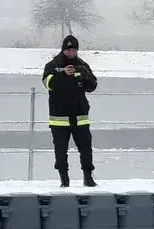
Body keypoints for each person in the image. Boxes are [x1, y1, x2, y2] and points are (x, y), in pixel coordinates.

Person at [42, 35, 98, 188]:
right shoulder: (52, 65)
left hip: (80, 116)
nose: (72, 52)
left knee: (86, 149)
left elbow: (92, 86)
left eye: (74, 49)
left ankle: (88, 178)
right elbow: (49, 84)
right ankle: (64, 180)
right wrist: (63, 74)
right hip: (59, 117)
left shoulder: (83, 65)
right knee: (60, 151)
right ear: (63, 50)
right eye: (69, 50)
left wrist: (86, 76)